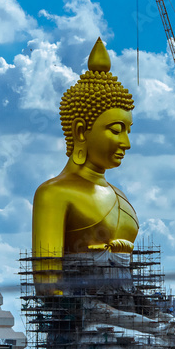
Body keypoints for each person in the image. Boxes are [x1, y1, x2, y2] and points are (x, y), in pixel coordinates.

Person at [31, 37, 137, 294]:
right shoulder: (54, 193)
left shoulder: (119, 195)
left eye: (128, 131)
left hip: (126, 306)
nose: (126, 143)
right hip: (87, 318)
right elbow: (48, 287)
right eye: (115, 130)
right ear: (80, 131)